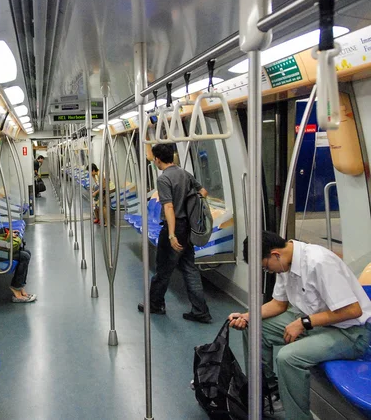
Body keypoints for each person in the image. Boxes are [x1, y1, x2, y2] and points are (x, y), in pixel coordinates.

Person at [229, 231, 371, 419]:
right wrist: (247, 316)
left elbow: (352, 311)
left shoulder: (318, 262)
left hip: (350, 332)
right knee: (254, 330)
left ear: (275, 254)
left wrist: (304, 322)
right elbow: (278, 304)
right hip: (314, 321)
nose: (269, 272)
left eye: (266, 267)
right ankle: (269, 392)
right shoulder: (285, 263)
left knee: (288, 358)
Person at [138, 143, 211, 323]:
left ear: (157, 159)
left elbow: (169, 206)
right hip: (187, 228)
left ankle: (155, 304)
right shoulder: (185, 173)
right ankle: (200, 311)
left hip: (175, 227)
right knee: (189, 268)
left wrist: (171, 234)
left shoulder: (164, 179)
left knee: (163, 269)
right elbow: (203, 192)